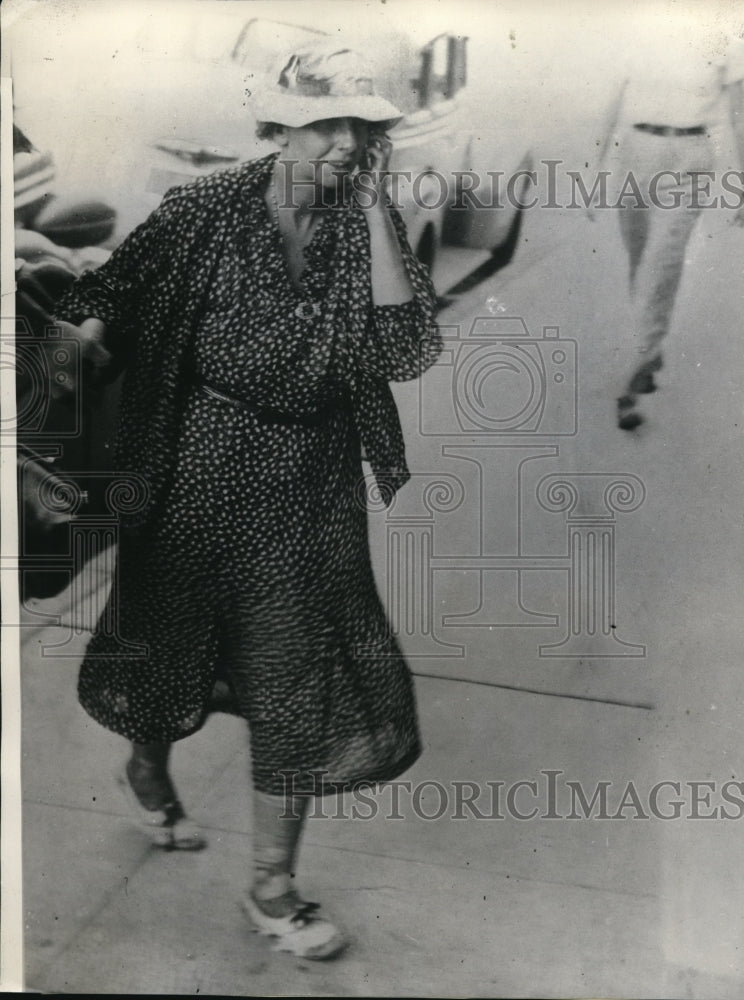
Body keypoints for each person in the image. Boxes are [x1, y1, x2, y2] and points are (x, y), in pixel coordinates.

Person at [52, 41, 441, 960]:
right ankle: (148, 768)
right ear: (279, 126)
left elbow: (403, 348)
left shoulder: (361, 224)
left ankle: (272, 887)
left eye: (364, 126)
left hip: (311, 484)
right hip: (200, 468)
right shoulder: (204, 210)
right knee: (165, 652)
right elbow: (111, 287)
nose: (347, 142)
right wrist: (71, 358)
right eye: (327, 123)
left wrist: (378, 210)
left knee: (296, 681)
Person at [589, 28, 744, 430]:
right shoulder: (638, 25)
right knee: (640, 258)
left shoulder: (727, 37)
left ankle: (639, 363)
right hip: (637, 152)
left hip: (690, 160)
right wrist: (592, 173)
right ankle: (650, 345)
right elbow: (609, 104)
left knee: (661, 262)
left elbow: (737, 115)